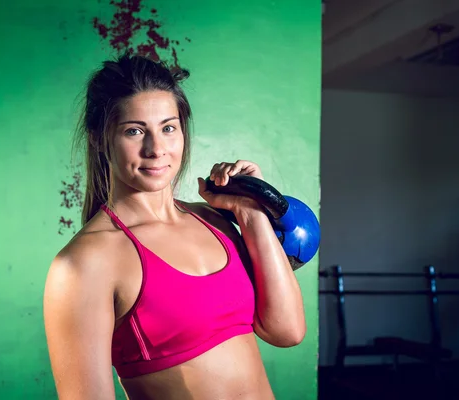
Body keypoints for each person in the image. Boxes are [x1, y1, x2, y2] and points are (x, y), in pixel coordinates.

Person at [43, 54, 306, 400]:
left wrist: (250, 211)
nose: (156, 149)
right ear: (98, 138)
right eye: (134, 131)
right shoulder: (84, 263)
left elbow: (286, 331)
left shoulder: (215, 222)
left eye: (168, 128)